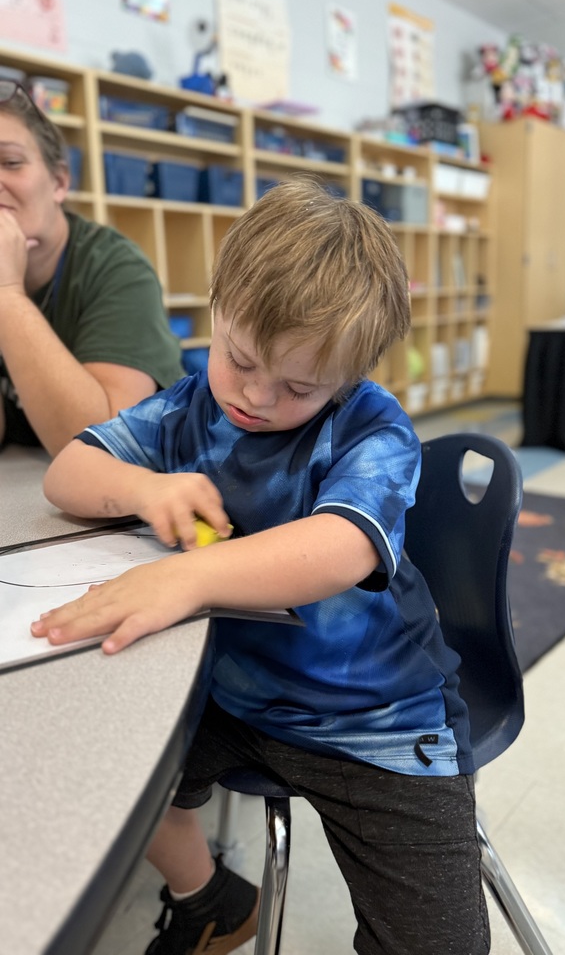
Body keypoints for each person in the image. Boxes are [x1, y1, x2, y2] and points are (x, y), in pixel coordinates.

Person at [35, 179, 490, 955]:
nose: (253, 395)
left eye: (297, 387)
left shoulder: (371, 428)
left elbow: (340, 548)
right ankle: (208, 897)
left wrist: (184, 576)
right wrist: (146, 486)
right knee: (101, 783)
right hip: (232, 697)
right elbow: (65, 475)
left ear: (346, 377)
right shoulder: (186, 406)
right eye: (237, 358)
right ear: (215, 311)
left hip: (377, 722)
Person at [0, 78, 184, 456]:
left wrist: (7, 295)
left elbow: (102, 444)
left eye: (10, 162)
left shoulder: (117, 269)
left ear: (59, 181)